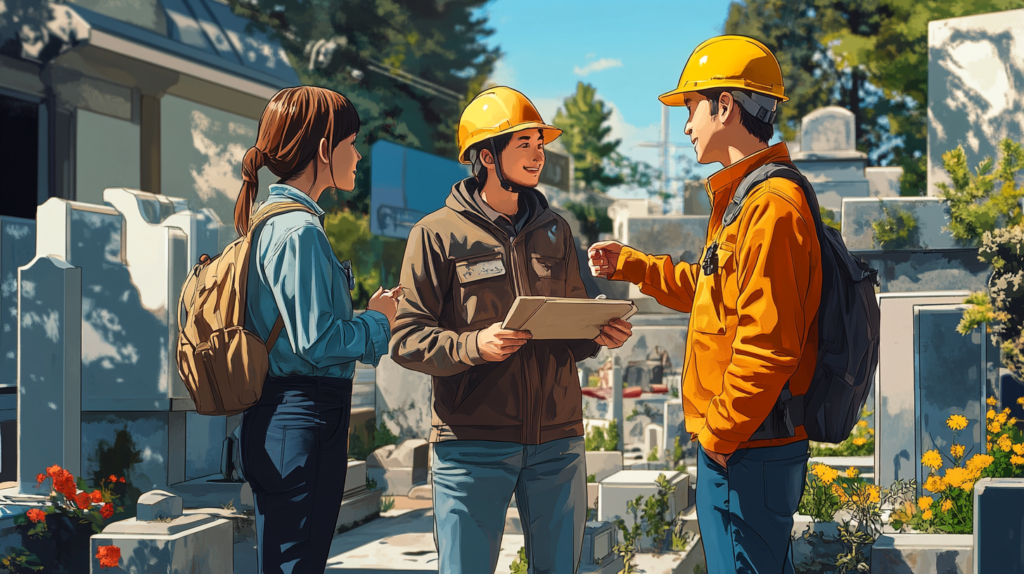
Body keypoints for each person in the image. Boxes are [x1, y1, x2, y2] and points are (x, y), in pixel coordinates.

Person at [588, 36, 822, 574]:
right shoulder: (746, 200)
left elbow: (769, 343)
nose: (687, 125)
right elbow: (713, 293)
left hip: (748, 445)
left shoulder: (771, 209)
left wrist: (718, 435)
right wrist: (634, 266)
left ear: (726, 106)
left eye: (692, 107)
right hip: (743, 441)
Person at [390, 86, 633, 574]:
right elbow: (406, 339)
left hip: (557, 443)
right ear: (486, 156)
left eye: (540, 144)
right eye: (524, 144)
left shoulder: (555, 230)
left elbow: (569, 322)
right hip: (471, 445)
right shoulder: (436, 234)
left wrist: (598, 334)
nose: (538, 155)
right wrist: (473, 345)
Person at [235, 86, 401, 574]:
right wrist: (378, 322)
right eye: (351, 142)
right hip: (302, 417)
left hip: (281, 415)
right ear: (324, 149)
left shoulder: (269, 222)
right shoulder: (300, 232)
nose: (358, 155)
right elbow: (317, 341)